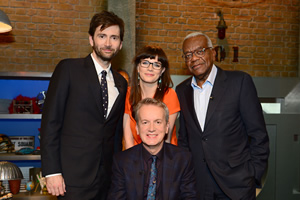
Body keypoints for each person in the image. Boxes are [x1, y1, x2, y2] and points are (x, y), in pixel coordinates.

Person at [40, 10, 128, 200]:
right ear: (91, 39)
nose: (107, 43)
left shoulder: (121, 83)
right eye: (102, 36)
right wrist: (52, 171)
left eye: (114, 38)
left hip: (107, 180)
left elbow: (115, 134)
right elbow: (50, 123)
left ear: (120, 44)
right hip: (71, 178)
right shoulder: (69, 69)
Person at [176, 32, 269, 200]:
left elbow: (258, 135)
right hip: (197, 185)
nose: (194, 58)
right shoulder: (182, 91)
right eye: (188, 55)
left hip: (235, 185)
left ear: (213, 53)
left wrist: (253, 175)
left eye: (199, 51)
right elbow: (184, 139)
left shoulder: (239, 82)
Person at [107, 98, 197, 200]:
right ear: (137, 127)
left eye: (158, 122)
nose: (151, 128)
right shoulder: (122, 161)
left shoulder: (183, 159)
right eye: (145, 122)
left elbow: (189, 197)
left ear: (167, 127)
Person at [123, 45, 180, 150]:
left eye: (156, 65)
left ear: (162, 70)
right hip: (135, 154)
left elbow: (166, 137)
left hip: (164, 155)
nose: (150, 68)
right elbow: (128, 139)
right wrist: (132, 161)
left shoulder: (170, 95)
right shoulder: (128, 93)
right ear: (137, 67)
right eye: (145, 63)